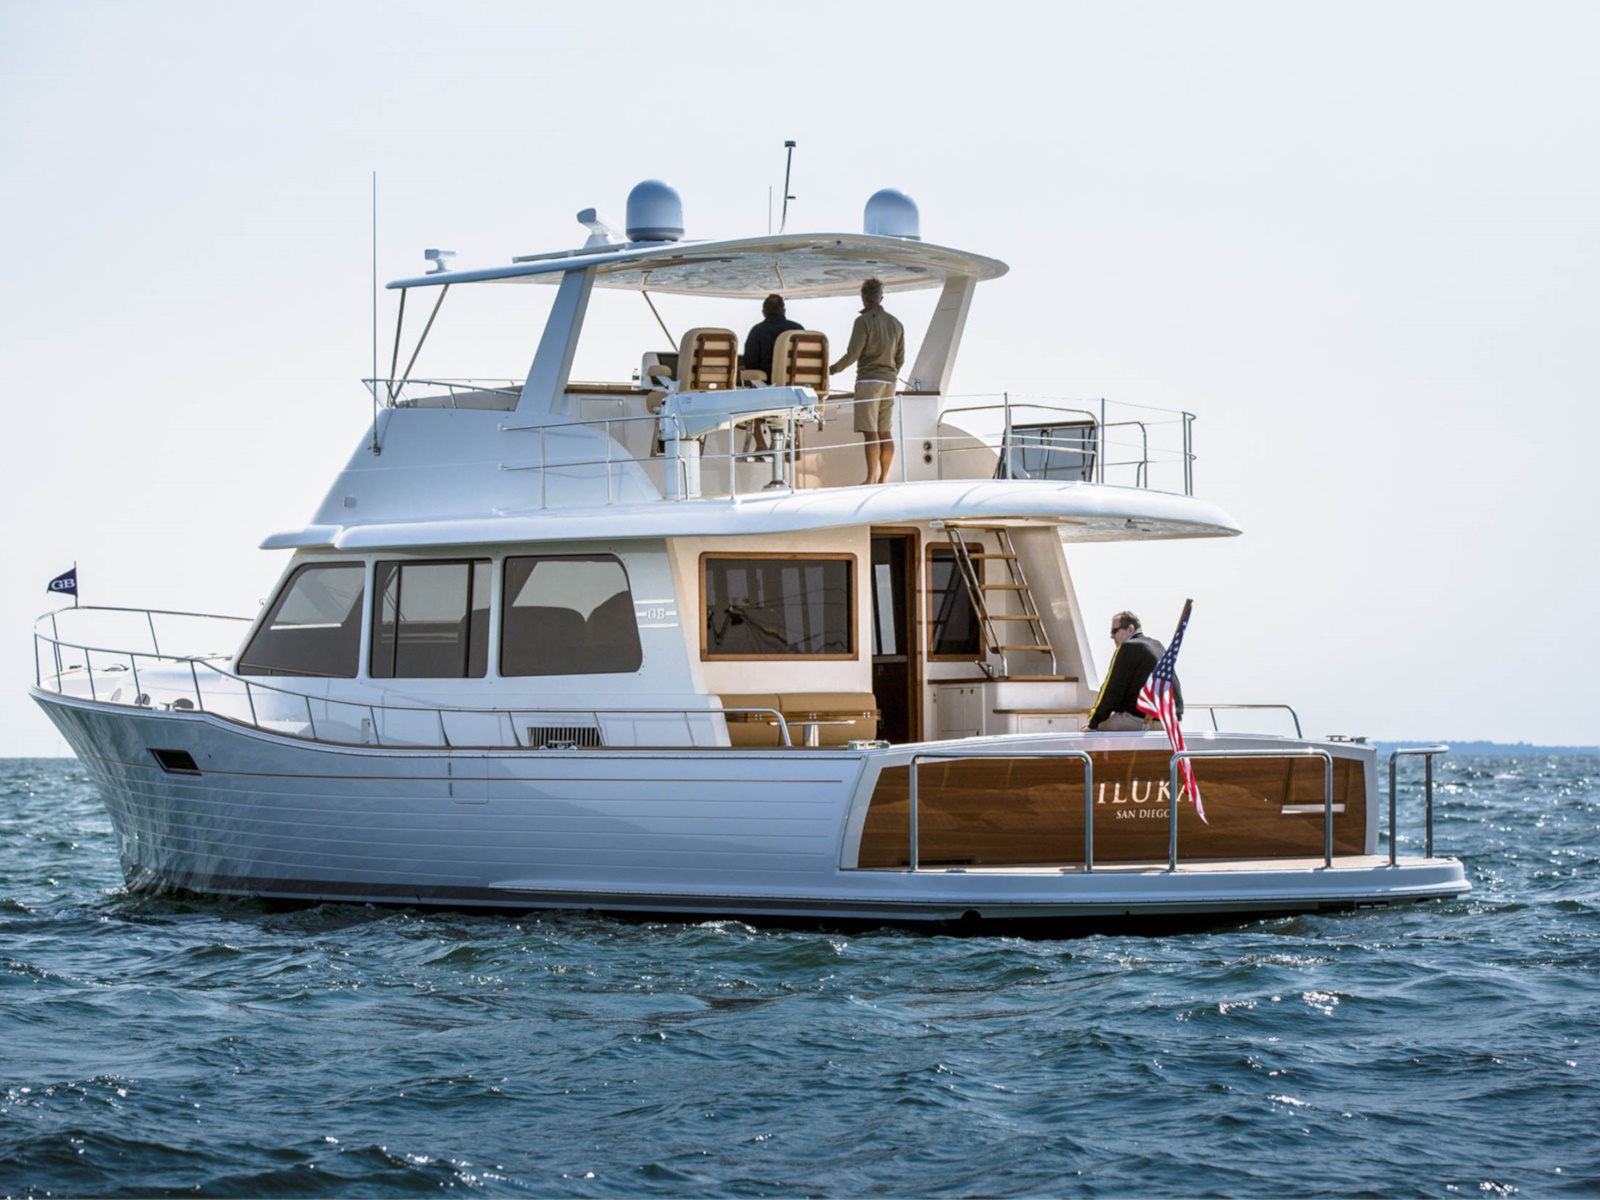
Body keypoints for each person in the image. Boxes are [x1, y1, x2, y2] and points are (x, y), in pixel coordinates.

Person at [829, 277, 904, 484]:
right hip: (890, 382)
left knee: (870, 432)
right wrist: (890, 373)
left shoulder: (863, 321)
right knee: (885, 431)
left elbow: (853, 354)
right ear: (881, 297)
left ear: (863, 298)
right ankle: (883, 478)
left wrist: (831, 370)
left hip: (869, 381)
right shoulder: (896, 324)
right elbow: (900, 359)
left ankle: (870, 478)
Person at [1087, 611, 1184, 731]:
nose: (1112, 636)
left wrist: (1094, 723)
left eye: (1115, 631)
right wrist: (1178, 716)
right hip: (1170, 722)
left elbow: (1111, 690)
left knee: (1099, 728)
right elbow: (1174, 683)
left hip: (1142, 720)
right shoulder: (1158, 645)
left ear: (1130, 629)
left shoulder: (1127, 647)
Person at [739, 293, 803, 454]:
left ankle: (761, 444)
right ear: (784, 311)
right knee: (786, 405)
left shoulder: (758, 331)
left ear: (764, 313)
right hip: (798, 392)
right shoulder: (799, 330)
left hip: (771, 387)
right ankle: (792, 442)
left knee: (747, 403)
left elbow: (751, 363)